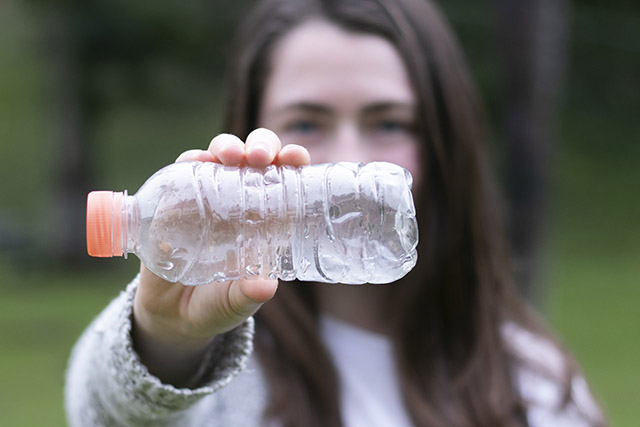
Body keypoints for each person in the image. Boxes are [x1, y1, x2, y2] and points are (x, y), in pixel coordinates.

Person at [65, 0, 606, 426]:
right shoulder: (220, 378)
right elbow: (103, 411)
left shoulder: (532, 382)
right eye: (306, 122)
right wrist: (166, 341)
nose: (349, 157)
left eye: (389, 123)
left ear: (444, 141)